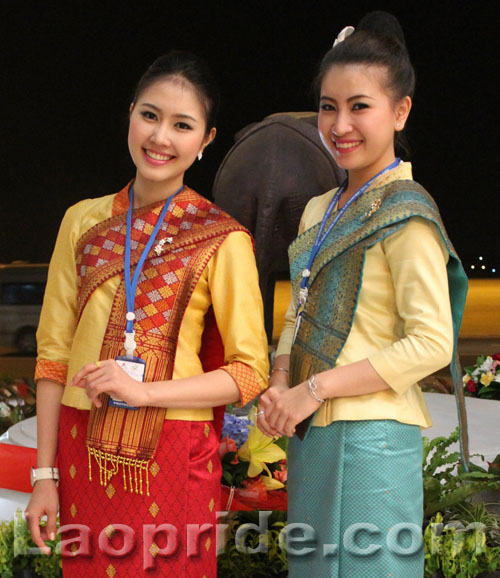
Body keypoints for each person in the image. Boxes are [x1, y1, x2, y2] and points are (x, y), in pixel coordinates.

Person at [25, 50, 269, 577]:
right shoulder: (81, 221)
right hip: (79, 448)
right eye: (151, 115)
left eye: (182, 125)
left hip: (175, 455)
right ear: (131, 113)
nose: (161, 137)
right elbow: (52, 358)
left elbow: (249, 372)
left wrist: (145, 392)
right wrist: (44, 475)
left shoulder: (221, 237)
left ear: (205, 140)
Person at [258, 11, 467, 577]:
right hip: (312, 431)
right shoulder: (320, 208)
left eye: (360, 106)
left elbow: (430, 342)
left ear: (400, 111)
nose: (340, 123)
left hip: (371, 434)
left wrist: (312, 389)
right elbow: (297, 311)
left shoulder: (406, 213)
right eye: (329, 106)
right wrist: (281, 382)